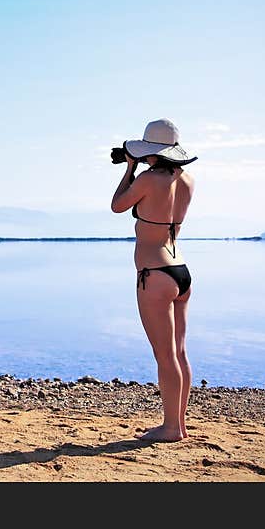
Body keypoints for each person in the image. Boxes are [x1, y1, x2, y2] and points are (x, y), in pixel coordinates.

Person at [110, 119, 198, 442]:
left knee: (165, 356)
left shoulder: (147, 180)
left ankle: (171, 428)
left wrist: (129, 169)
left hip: (154, 275)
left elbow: (117, 205)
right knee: (180, 351)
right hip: (181, 270)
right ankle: (180, 424)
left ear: (153, 153)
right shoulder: (188, 181)